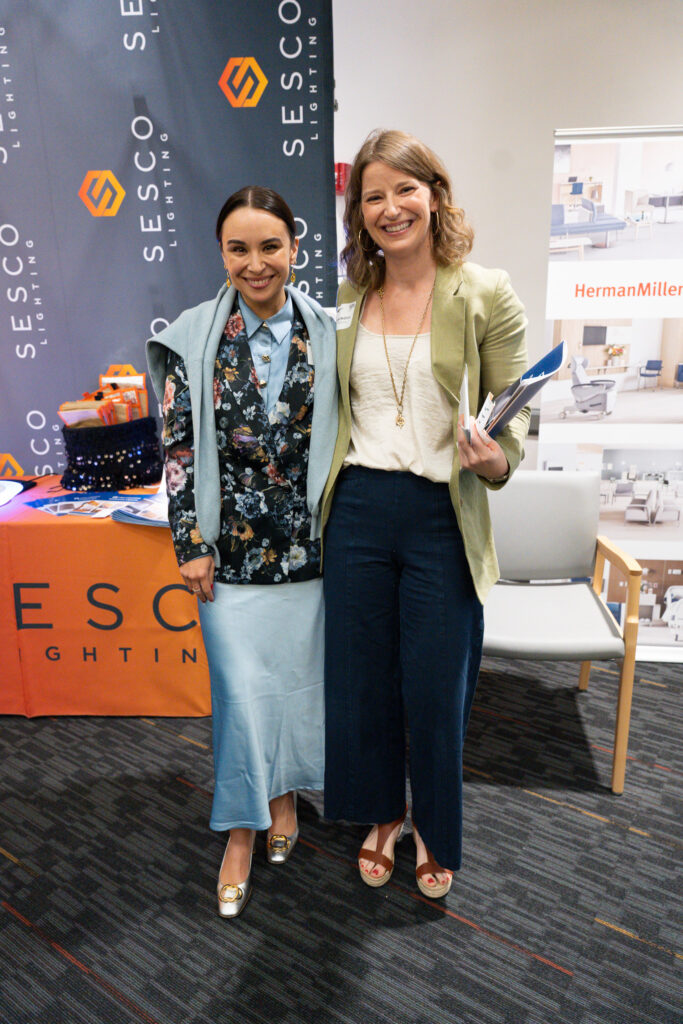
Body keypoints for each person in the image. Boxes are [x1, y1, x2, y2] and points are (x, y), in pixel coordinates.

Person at [320, 130, 529, 898]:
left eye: (404, 190)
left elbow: (516, 411)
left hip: (442, 511)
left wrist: (495, 459)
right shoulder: (347, 298)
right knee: (362, 683)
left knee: (437, 690)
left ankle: (435, 826)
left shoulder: (484, 292)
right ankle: (382, 814)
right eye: (372, 196)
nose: (390, 208)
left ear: (434, 195)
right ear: (358, 212)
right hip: (358, 509)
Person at [147, 186, 337, 919]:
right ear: (221, 253)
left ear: (294, 247)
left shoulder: (331, 332)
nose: (256, 263)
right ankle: (238, 828)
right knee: (238, 694)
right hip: (225, 559)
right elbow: (177, 451)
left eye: (270, 246)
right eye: (239, 248)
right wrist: (189, 543)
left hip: (310, 554)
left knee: (294, 688)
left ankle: (283, 796)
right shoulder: (192, 337)